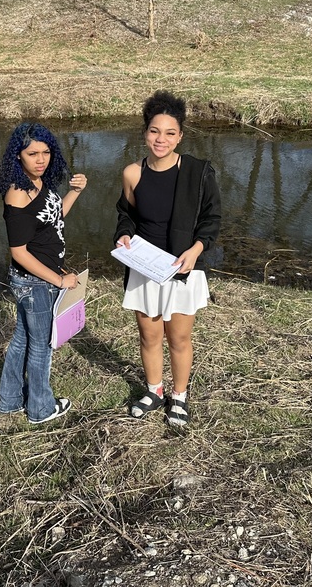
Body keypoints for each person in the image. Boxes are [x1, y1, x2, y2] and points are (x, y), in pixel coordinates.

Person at [114, 91, 221, 428]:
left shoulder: (198, 172)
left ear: (180, 136)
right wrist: (124, 234)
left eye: (170, 133)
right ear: (145, 133)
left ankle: (179, 396)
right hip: (145, 267)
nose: (161, 139)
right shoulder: (132, 172)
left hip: (181, 267)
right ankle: (154, 390)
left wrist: (196, 249)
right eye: (154, 131)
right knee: (148, 336)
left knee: (179, 338)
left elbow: (211, 219)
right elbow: (126, 214)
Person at [0, 123, 87, 424]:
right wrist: (59, 280)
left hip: (37, 279)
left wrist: (74, 192)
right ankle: (40, 409)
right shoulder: (18, 194)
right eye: (32, 153)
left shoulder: (39, 182)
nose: (40, 159)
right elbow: (18, 251)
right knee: (42, 345)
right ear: (17, 156)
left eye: (46, 152)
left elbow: (53, 217)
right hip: (35, 282)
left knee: (22, 338)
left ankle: (9, 401)